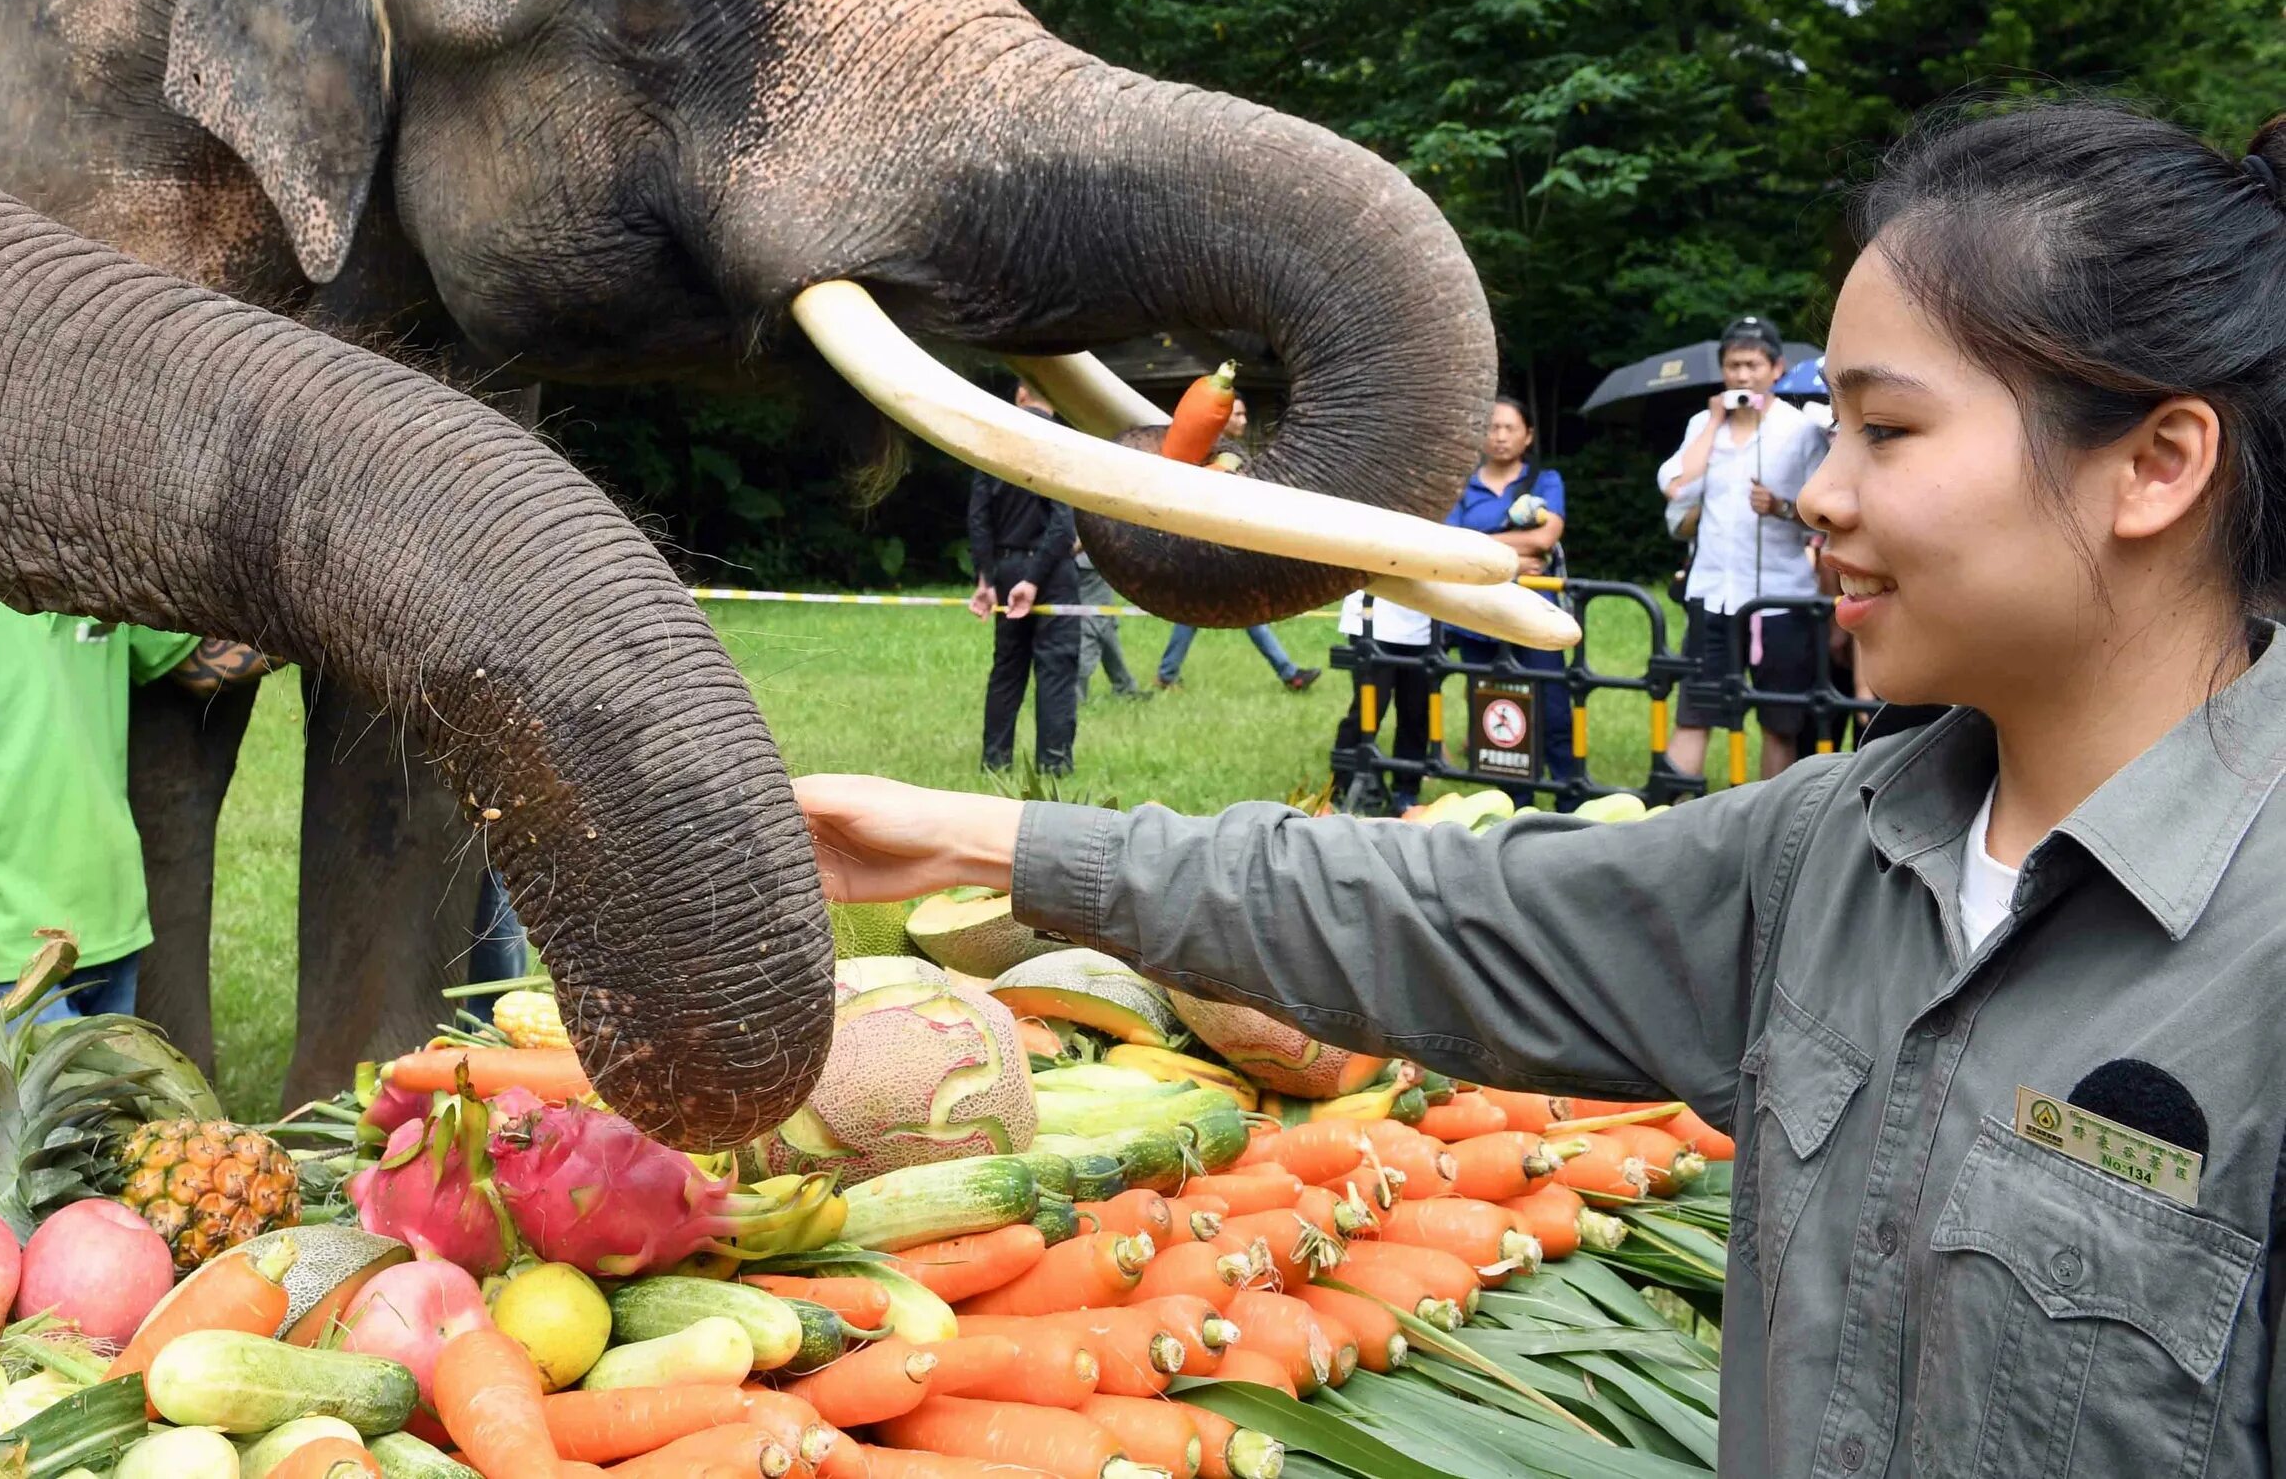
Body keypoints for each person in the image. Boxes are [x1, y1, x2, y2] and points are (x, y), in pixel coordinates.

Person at [799, 102, 2286, 1472]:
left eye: (1888, 432)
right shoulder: (1839, 848)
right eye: (1832, 430)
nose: (1820, 492)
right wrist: (968, 834)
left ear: (2155, 465)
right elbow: (1443, 907)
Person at [0, 573, 275, 1016]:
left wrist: (325, 612)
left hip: (110, 936)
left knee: (105, 1090)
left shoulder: (91, 547)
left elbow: (200, 665)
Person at [1659, 315, 1831, 779]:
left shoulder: (1800, 430)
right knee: (1695, 712)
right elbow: (1675, 486)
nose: (1742, 375)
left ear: (1776, 369)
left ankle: (1770, 828)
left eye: (1752, 365)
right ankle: (1669, 808)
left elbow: (1823, 514)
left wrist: (1778, 506)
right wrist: (1715, 423)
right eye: (1733, 365)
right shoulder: (1702, 423)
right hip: (1712, 594)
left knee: (1780, 723)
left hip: (1781, 600)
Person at [1445, 396, 1585, 805]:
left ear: (1528, 435)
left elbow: (1545, 537)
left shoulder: (1546, 480)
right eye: (1492, 427)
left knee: (1554, 708)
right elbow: (1452, 544)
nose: (1500, 436)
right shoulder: (1461, 483)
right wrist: (1516, 561)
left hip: (1536, 614)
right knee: (1497, 710)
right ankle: (1514, 803)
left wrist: (1484, 549)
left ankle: (1569, 800)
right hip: (1478, 615)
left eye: (1509, 428)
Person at [1154, 392, 1321, 694]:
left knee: (1208, 614)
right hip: (1204, 547)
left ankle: (1167, 675)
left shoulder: (1233, 450)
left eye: (1245, 415)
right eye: (1238, 415)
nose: (1244, 421)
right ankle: (1289, 673)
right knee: (1234, 612)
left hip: (1220, 547)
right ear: (1221, 417)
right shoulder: (1207, 450)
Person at [969, 384, 1080, 775]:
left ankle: (994, 762)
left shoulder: (994, 444)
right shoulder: (1055, 443)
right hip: (1049, 576)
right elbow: (1063, 526)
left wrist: (986, 577)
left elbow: (979, 519)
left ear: (1019, 395)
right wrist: (1033, 580)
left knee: (1007, 670)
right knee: (1056, 669)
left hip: (1004, 570)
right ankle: (1054, 765)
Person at [1330, 589, 1433, 814]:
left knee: (1416, 711)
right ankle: (1342, 784)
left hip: (1422, 626)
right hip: (1371, 621)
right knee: (1371, 708)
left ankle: (1406, 792)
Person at [1070, 546, 1150, 702]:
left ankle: (1125, 686)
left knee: (1106, 624)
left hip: (1091, 561)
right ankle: (1075, 694)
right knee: (1093, 624)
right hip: (1087, 562)